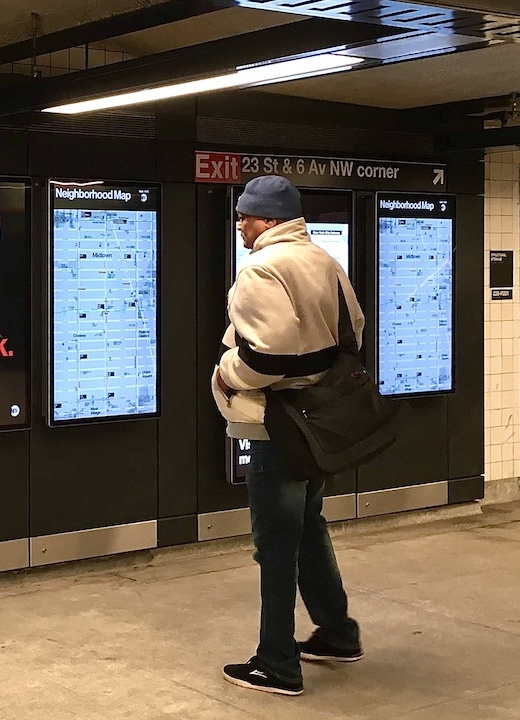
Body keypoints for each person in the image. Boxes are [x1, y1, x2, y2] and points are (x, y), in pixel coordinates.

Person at [212, 175, 365, 696]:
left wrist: (230, 371)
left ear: (270, 220)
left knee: (274, 543)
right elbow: (354, 331)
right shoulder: (322, 259)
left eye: (245, 216)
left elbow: (269, 356)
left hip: (275, 422)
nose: (239, 225)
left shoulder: (260, 267)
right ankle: (338, 632)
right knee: (308, 525)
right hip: (317, 418)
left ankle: (276, 662)